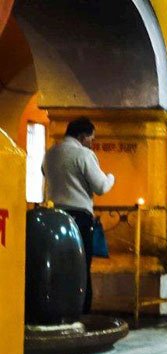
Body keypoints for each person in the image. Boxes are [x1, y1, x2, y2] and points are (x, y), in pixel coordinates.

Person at [43, 117, 115, 314]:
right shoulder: (83, 154)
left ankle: (57, 308)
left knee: (59, 265)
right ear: (83, 137)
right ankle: (81, 311)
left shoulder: (51, 153)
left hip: (54, 216)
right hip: (79, 217)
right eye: (92, 138)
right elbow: (100, 187)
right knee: (81, 266)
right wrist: (110, 177)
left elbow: (44, 173)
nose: (92, 142)